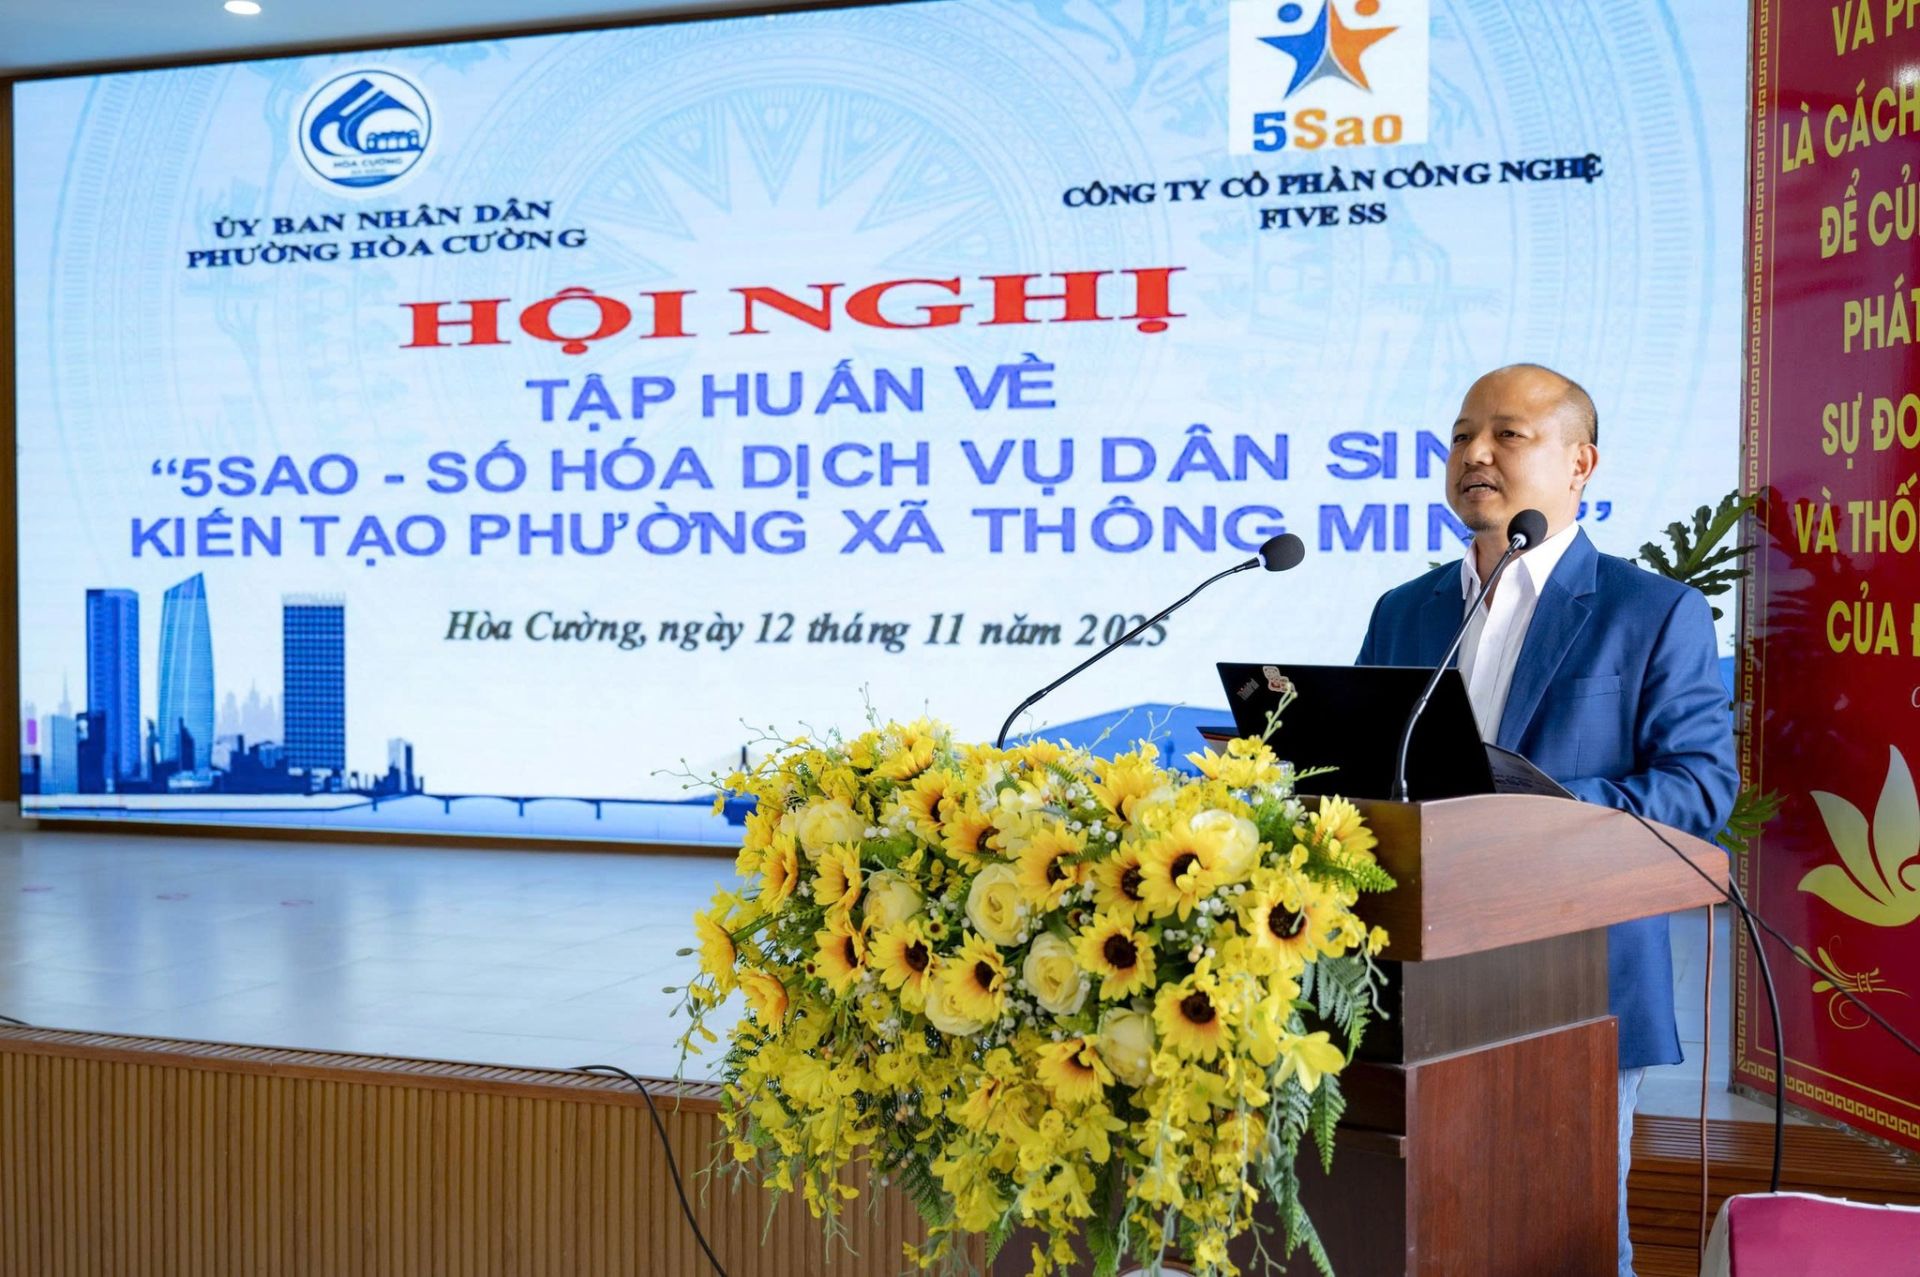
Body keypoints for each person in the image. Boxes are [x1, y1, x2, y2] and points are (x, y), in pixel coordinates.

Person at [1356, 363, 1738, 1277]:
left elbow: (1697, 787)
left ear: (1580, 463)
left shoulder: (1653, 612)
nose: (1475, 454)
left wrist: (1535, 813)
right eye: (1461, 435)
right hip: (1415, 990)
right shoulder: (1404, 612)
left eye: (1508, 434)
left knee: (1567, 1243)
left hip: (1578, 988)